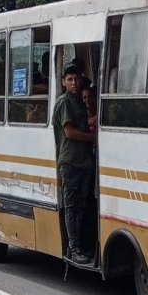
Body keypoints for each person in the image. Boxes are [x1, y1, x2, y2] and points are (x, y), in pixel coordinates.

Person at [52, 64, 97, 265]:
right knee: (71, 207)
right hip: (71, 162)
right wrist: (92, 138)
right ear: (63, 82)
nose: (74, 83)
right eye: (69, 79)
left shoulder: (79, 101)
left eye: (77, 79)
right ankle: (74, 248)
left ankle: (82, 245)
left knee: (83, 206)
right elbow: (69, 132)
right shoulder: (64, 103)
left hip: (84, 161)